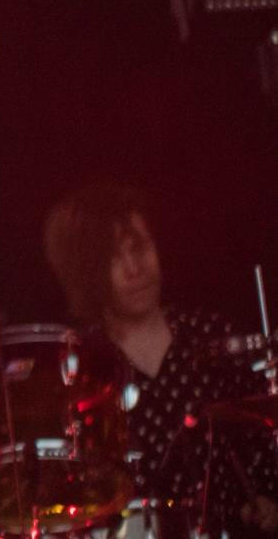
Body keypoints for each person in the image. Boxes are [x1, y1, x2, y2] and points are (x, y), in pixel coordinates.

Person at [42, 182, 278, 535]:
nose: (134, 268)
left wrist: (268, 501)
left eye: (140, 248)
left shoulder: (210, 335)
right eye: (114, 258)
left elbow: (265, 438)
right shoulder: (84, 371)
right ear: (88, 272)